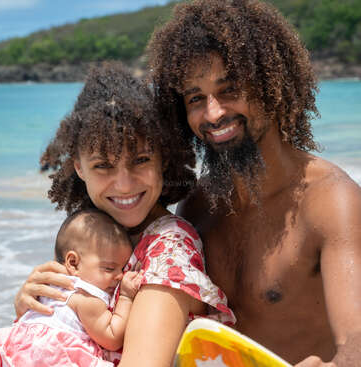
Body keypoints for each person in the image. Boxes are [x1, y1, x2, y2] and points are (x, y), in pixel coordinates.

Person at [146, 0, 361, 366]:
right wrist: (63, 293)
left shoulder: (329, 201)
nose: (213, 113)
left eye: (229, 89)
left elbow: (357, 337)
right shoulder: (199, 207)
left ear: (271, 86)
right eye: (196, 98)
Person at [13, 62, 236, 367]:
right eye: (103, 165)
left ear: (163, 159)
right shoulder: (91, 236)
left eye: (141, 159)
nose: (124, 183)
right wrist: (31, 308)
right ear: (79, 166)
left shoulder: (168, 251)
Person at [0, 209, 142, 366]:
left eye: (123, 268)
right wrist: (126, 297)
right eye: (109, 269)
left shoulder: (48, 285)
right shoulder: (86, 298)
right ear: (73, 263)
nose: (120, 276)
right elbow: (112, 338)